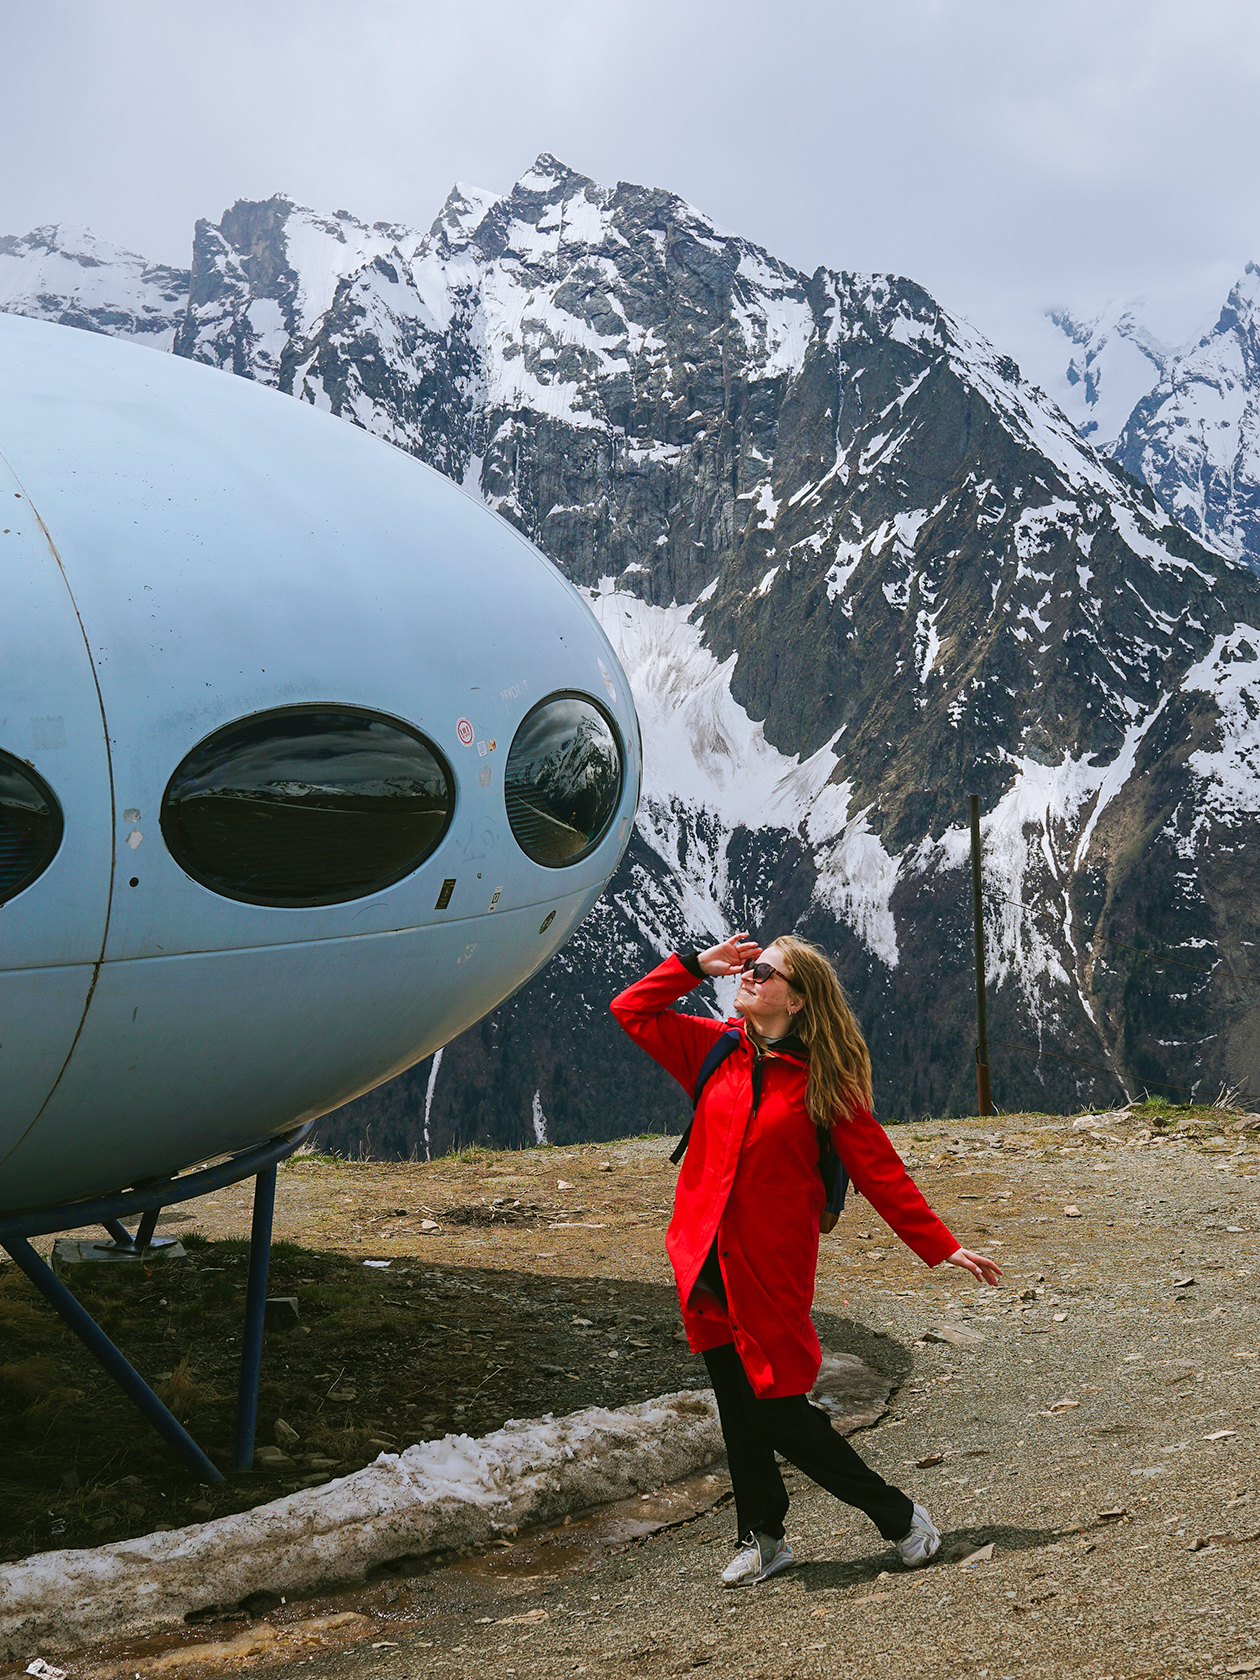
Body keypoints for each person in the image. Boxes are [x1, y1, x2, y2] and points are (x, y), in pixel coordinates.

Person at [610, 932, 1002, 1586]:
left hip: (770, 1269)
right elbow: (631, 1009)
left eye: (764, 971)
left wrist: (942, 1244)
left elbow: (880, 1171)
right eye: (749, 966)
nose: (748, 975)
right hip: (705, 1255)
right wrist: (692, 967)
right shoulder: (714, 1049)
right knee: (737, 1403)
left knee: (779, 1409)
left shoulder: (823, 1082)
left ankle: (901, 1517)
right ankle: (763, 1537)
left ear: (796, 1000)